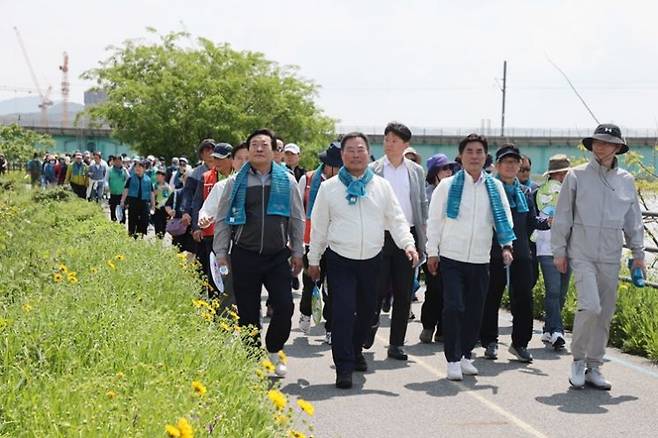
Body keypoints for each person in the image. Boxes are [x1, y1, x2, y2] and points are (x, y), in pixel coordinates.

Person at [308, 132, 418, 389]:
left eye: (360, 150)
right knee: (343, 312)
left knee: (369, 313)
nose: (356, 155)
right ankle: (344, 367)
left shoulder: (381, 186)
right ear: (342, 155)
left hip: (372, 260)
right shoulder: (329, 188)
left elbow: (397, 219)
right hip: (340, 259)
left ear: (369, 154)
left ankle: (356, 350)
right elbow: (319, 227)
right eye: (350, 150)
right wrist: (314, 259)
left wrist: (408, 245)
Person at [552, 124, 644, 390]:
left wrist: (638, 254)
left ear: (618, 147)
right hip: (582, 252)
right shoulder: (576, 175)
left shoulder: (626, 179)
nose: (600, 146)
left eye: (606, 142)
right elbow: (563, 215)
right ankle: (578, 360)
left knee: (604, 312)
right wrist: (559, 250)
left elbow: (633, 220)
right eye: (596, 142)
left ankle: (595, 365)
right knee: (590, 306)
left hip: (611, 254)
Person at [214, 129, 305, 378]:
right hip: (245, 254)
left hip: (278, 255)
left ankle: (275, 350)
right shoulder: (235, 182)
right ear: (248, 149)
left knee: (285, 306)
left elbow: (297, 218)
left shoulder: (287, 180)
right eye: (254, 144)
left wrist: (298, 251)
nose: (259, 148)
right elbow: (222, 219)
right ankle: (253, 358)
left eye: (264, 144)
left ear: (274, 150)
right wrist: (221, 252)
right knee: (247, 311)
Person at [426, 133, 514, 381]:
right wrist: (433, 252)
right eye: (469, 152)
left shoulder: (494, 187)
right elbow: (434, 221)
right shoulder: (447, 186)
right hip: (451, 257)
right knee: (454, 307)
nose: (474, 156)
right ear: (461, 156)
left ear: (485, 157)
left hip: (480, 258)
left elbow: (503, 220)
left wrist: (507, 246)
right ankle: (452, 359)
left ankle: (465, 355)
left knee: (476, 310)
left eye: (479, 152)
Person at [479, 144, 550, 363]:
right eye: (506, 162)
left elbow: (531, 222)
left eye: (515, 162)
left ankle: (520, 343)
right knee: (491, 297)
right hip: (492, 253)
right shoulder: (487, 190)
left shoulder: (525, 193)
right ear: (498, 165)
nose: (511, 166)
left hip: (521, 254)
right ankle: (490, 341)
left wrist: (548, 221)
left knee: (524, 299)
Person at [366, 122, 427, 361]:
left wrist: (423, 241)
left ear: (405, 144)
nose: (389, 144)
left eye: (395, 140)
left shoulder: (415, 171)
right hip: (380, 235)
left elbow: (421, 204)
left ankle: (396, 344)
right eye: (387, 139)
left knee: (403, 292)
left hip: (407, 236)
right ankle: (368, 329)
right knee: (376, 289)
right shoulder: (373, 169)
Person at [297, 142, 343, 343]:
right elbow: (298, 210)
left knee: (333, 288)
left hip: (336, 243)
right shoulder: (308, 179)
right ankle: (305, 313)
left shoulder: (346, 182)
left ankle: (331, 327)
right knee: (310, 283)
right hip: (311, 240)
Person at [535, 154, 572, 350]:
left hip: (568, 248)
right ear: (561, 173)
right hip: (548, 248)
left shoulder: (571, 191)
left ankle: (549, 329)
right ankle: (558, 330)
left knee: (561, 293)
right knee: (554, 290)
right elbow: (538, 220)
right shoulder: (543, 192)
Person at [419, 153, 456, 344]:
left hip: (452, 249)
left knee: (449, 292)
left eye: (450, 168)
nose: (449, 171)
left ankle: (443, 329)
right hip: (431, 249)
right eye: (444, 168)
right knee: (434, 290)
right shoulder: (426, 194)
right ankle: (428, 325)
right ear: (434, 172)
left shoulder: (456, 191)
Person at [192, 143, 234, 298]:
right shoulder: (206, 177)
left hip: (235, 235)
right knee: (215, 274)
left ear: (231, 159)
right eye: (215, 158)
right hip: (212, 234)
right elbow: (198, 203)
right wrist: (198, 225)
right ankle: (215, 308)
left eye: (220, 159)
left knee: (234, 275)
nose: (217, 162)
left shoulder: (241, 178)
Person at [120, 160, 156, 238]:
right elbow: (126, 190)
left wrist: (153, 205)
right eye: (136, 166)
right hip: (133, 201)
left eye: (139, 166)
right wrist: (122, 201)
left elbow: (152, 193)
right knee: (132, 219)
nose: (137, 168)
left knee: (144, 220)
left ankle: (141, 236)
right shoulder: (131, 178)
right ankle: (131, 235)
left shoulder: (148, 180)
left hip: (144, 202)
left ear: (144, 168)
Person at [165, 168, 196, 254]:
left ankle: (188, 267)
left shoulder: (197, 194)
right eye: (185, 178)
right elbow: (168, 204)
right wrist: (170, 211)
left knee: (191, 251)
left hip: (191, 227)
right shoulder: (177, 192)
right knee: (177, 250)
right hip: (178, 225)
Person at [108, 155, 129, 223]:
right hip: (113, 192)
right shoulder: (110, 170)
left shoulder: (124, 170)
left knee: (122, 208)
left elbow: (129, 179)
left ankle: (122, 222)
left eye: (119, 161)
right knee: (113, 208)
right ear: (113, 162)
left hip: (122, 193)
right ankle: (114, 221)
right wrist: (106, 187)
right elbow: (106, 180)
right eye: (116, 161)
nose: (118, 163)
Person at [152, 168, 172, 238]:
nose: (157, 177)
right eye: (157, 175)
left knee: (163, 226)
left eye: (159, 175)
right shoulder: (154, 185)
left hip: (165, 209)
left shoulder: (167, 187)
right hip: (157, 208)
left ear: (163, 177)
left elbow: (169, 197)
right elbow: (151, 196)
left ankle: (161, 239)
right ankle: (158, 240)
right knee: (157, 226)